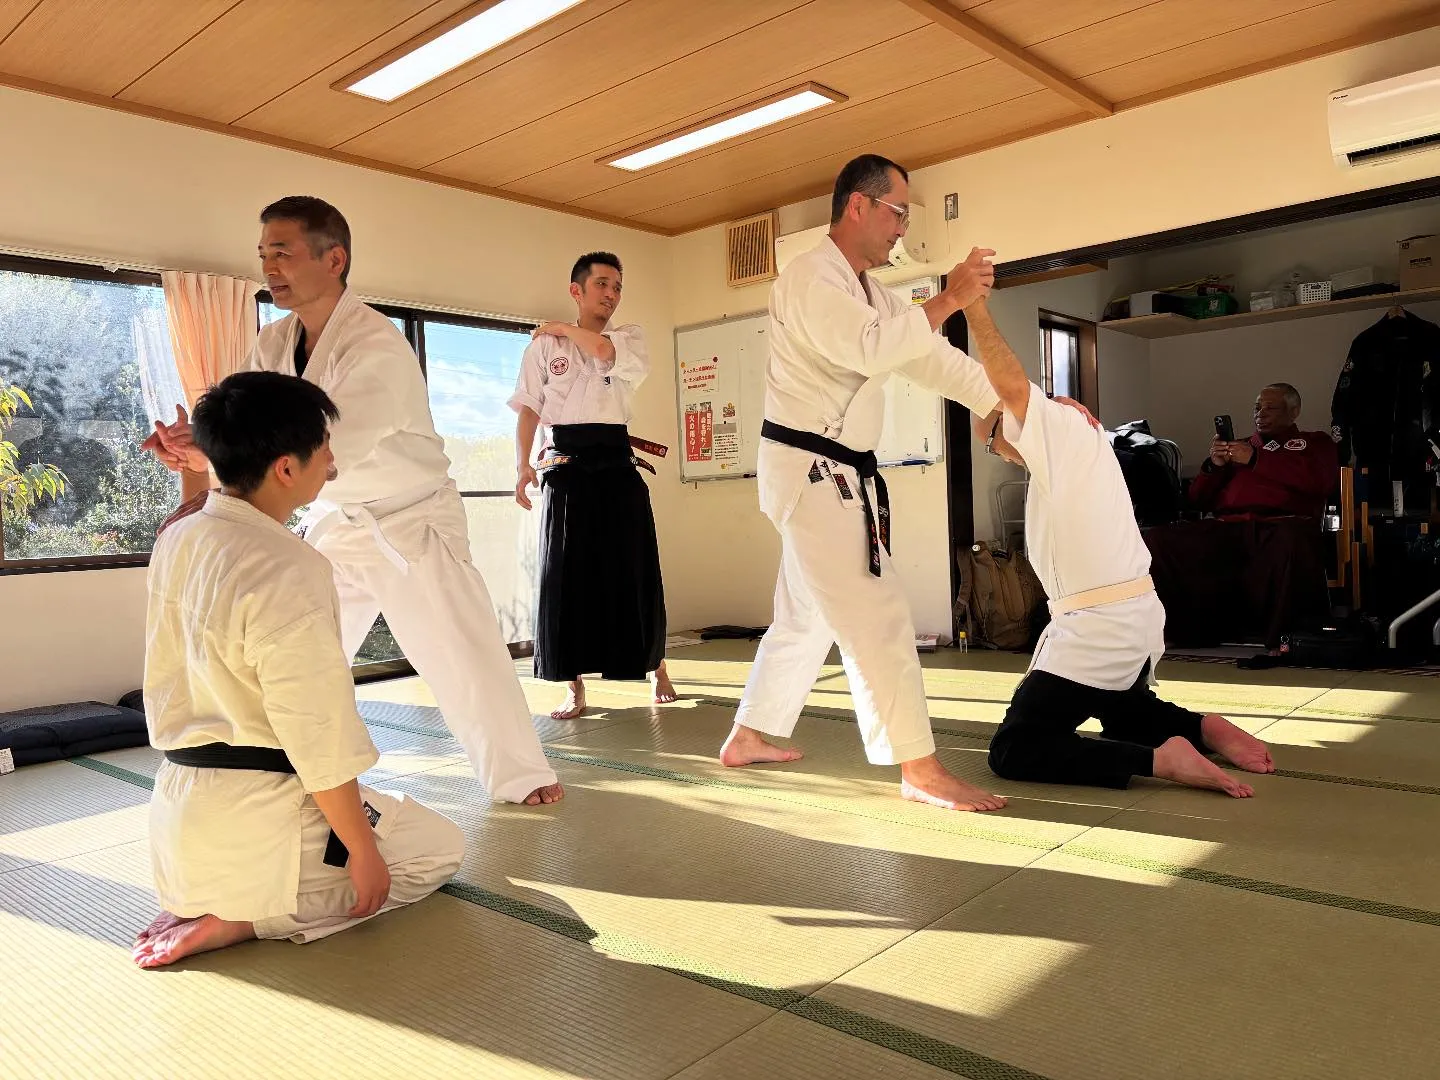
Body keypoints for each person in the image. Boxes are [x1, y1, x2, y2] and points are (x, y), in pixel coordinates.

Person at [142, 196, 563, 806]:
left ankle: (522, 776)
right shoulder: (272, 344)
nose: (270, 267)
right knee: (295, 647)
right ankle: (272, 767)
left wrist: (214, 456)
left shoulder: (378, 347)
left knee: (462, 656)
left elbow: (323, 453)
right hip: (337, 518)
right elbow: (252, 422)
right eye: (264, 255)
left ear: (333, 258)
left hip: (411, 518)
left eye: (283, 253)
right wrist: (199, 443)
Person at [719, 153, 1046, 812]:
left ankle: (747, 735)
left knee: (805, 617)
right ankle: (919, 769)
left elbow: (936, 362)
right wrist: (950, 296)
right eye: (897, 211)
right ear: (858, 206)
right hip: (813, 470)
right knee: (879, 612)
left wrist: (1007, 412)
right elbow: (871, 348)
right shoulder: (810, 277)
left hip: (830, 473)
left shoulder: (873, 292)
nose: (902, 227)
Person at [133, 371, 465, 969]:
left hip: (177, 817)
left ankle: (212, 896)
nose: (332, 459)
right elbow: (314, 729)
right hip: (260, 813)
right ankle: (245, 916)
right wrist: (362, 849)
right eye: (323, 446)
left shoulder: (176, 538)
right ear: (286, 468)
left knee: (384, 815)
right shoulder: (289, 565)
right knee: (437, 850)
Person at [963, 308, 1275, 796]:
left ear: (1009, 421)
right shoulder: (1077, 441)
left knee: (1016, 748)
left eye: (990, 443)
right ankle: (1201, 729)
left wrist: (974, 310)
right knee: (1120, 708)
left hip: (1097, 629)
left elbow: (1009, 384)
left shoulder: (1058, 432)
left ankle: (1161, 761)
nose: (999, 453)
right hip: (1133, 622)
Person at [510, 252, 676, 720]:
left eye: (617, 286)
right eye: (602, 284)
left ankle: (658, 668)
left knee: (634, 568)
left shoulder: (629, 338)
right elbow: (528, 408)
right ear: (576, 291)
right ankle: (573, 686)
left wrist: (561, 328)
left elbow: (603, 353)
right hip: (564, 463)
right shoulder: (543, 349)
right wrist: (522, 465)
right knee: (565, 574)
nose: (611, 294)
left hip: (617, 463)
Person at [1143, 383, 1338, 652]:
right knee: (1159, 539)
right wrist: (1214, 466)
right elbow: (1198, 500)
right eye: (1257, 407)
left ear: (1294, 411)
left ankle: (1284, 639)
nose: (1261, 413)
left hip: (1281, 524)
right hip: (1228, 526)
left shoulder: (1314, 442)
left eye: (1271, 407)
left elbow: (1321, 481)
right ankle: (1183, 633)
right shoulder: (1240, 446)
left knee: (1290, 541)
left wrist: (1257, 459)